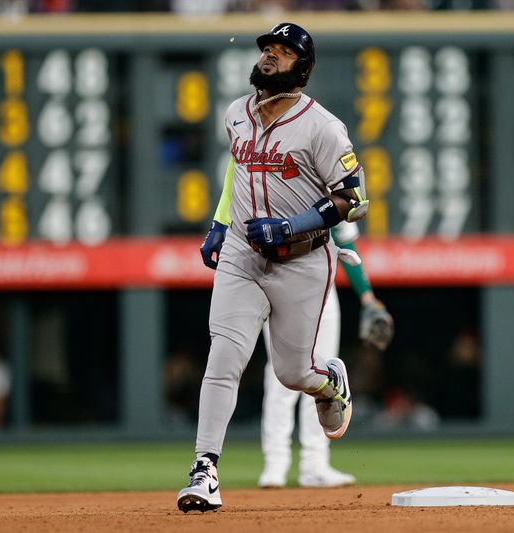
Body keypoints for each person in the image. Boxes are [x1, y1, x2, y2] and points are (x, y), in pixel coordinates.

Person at [177, 22, 369, 513]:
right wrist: (221, 223)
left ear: (301, 69)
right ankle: (205, 469)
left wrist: (291, 226)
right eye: (268, 48)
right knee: (224, 357)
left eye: (283, 53)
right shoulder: (236, 114)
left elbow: (353, 199)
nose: (270, 56)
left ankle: (330, 381)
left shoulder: (322, 126)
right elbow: (236, 169)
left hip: (302, 261)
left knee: (292, 373)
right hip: (243, 254)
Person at [258, 221, 392, 488]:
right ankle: (275, 463)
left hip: (323, 288)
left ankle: (315, 464)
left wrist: (367, 297)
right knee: (280, 376)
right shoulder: (275, 185)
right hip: (278, 281)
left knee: (325, 377)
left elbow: (346, 242)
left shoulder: (332, 188)